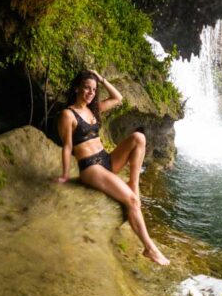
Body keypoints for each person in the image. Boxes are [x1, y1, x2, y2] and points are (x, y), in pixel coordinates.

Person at [56, 70, 170, 266]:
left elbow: (118, 98)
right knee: (132, 201)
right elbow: (67, 146)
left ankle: (133, 182)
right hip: (91, 167)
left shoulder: (94, 110)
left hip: (107, 161)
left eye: (93, 89)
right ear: (77, 88)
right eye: (86, 88)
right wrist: (65, 175)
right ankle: (149, 248)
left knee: (139, 138)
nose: (90, 92)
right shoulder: (68, 114)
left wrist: (101, 79)